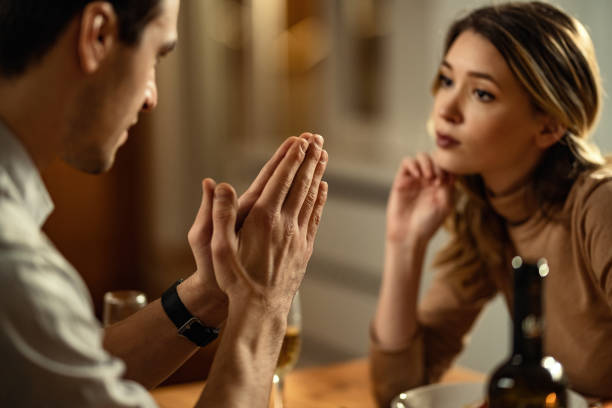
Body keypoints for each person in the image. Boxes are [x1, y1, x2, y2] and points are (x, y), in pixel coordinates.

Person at [0, 0, 329, 407]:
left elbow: (63, 376)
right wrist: (264, 301)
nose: (151, 97)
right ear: (97, 35)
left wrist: (209, 293)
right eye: (157, 54)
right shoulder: (14, 267)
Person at [370, 2, 612, 406]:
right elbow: (398, 392)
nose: (445, 110)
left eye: (482, 93)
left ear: (549, 124)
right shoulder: (487, 215)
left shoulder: (599, 206)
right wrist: (404, 243)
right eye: (447, 80)